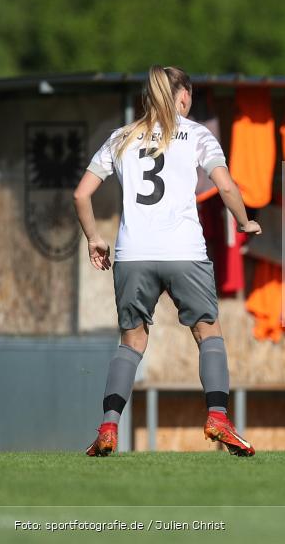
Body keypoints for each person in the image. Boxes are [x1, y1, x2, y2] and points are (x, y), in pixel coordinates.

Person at [73, 66, 261, 457]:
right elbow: (225, 184)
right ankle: (217, 417)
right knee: (208, 333)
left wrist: (94, 238)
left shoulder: (122, 137)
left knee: (132, 342)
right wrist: (244, 222)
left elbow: (81, 194)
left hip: (133, 255)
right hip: (184, 252)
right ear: (184, 97)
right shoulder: (196, 133)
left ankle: (108, 426)